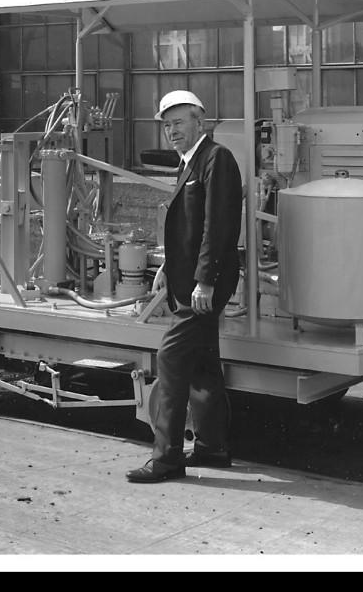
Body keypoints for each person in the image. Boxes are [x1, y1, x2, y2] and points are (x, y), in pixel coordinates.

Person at [127, 90, 243, 483]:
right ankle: (213, 448)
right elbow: (186, 228)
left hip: (205, 285)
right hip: (190, 281)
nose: (172, 131)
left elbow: (219, 227)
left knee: (171, 359)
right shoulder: (189, 162)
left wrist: (205, 281)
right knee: (203, 364)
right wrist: (166, 269)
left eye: (179, 123)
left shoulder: (216, 160)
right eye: (166, 125)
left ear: (200, 122)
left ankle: (167, 459)